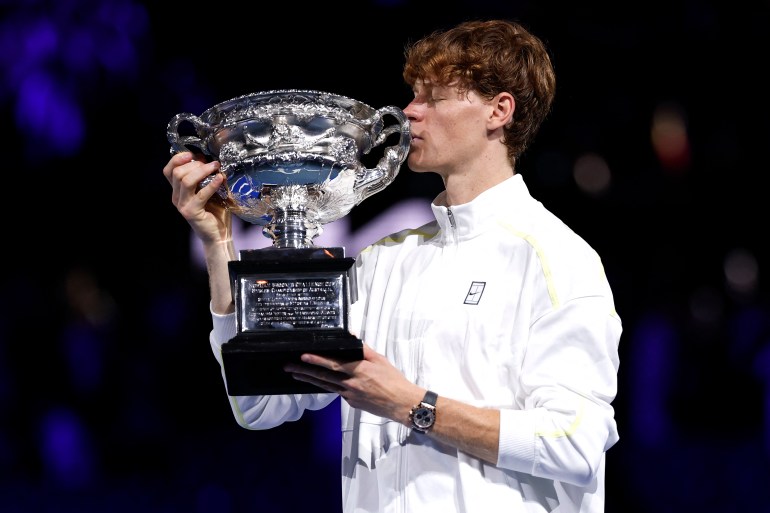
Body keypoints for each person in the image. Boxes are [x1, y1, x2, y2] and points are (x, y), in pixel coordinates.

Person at [163, 18, 622, 513]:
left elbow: (575, 443)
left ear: (499, 110)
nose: (409, 112)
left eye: (433, 97)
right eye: (413, 95)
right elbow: (261, 404)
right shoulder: (382, 263)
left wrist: (411, 404)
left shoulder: (557, 258)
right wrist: (219, 244)